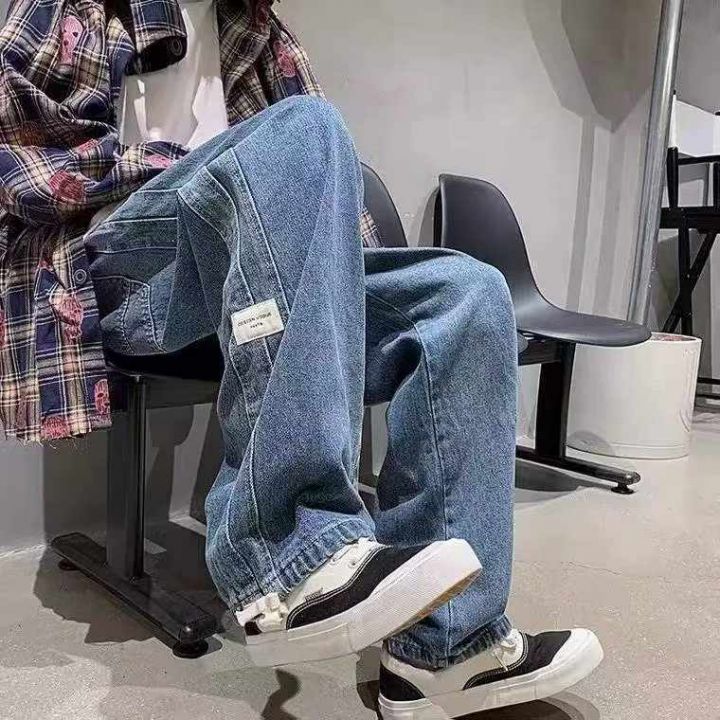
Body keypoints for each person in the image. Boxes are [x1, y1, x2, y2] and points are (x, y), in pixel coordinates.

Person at [0, 0, 603, 717]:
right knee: (302, 128)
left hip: (245, 278)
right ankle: (288, 553)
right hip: (124, 276)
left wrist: (338, 287)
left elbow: (322, 201)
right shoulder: (77, 7)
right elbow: (17, 163)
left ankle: (446, 649)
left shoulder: (259, 33)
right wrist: (180, 165)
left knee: (466, 293)